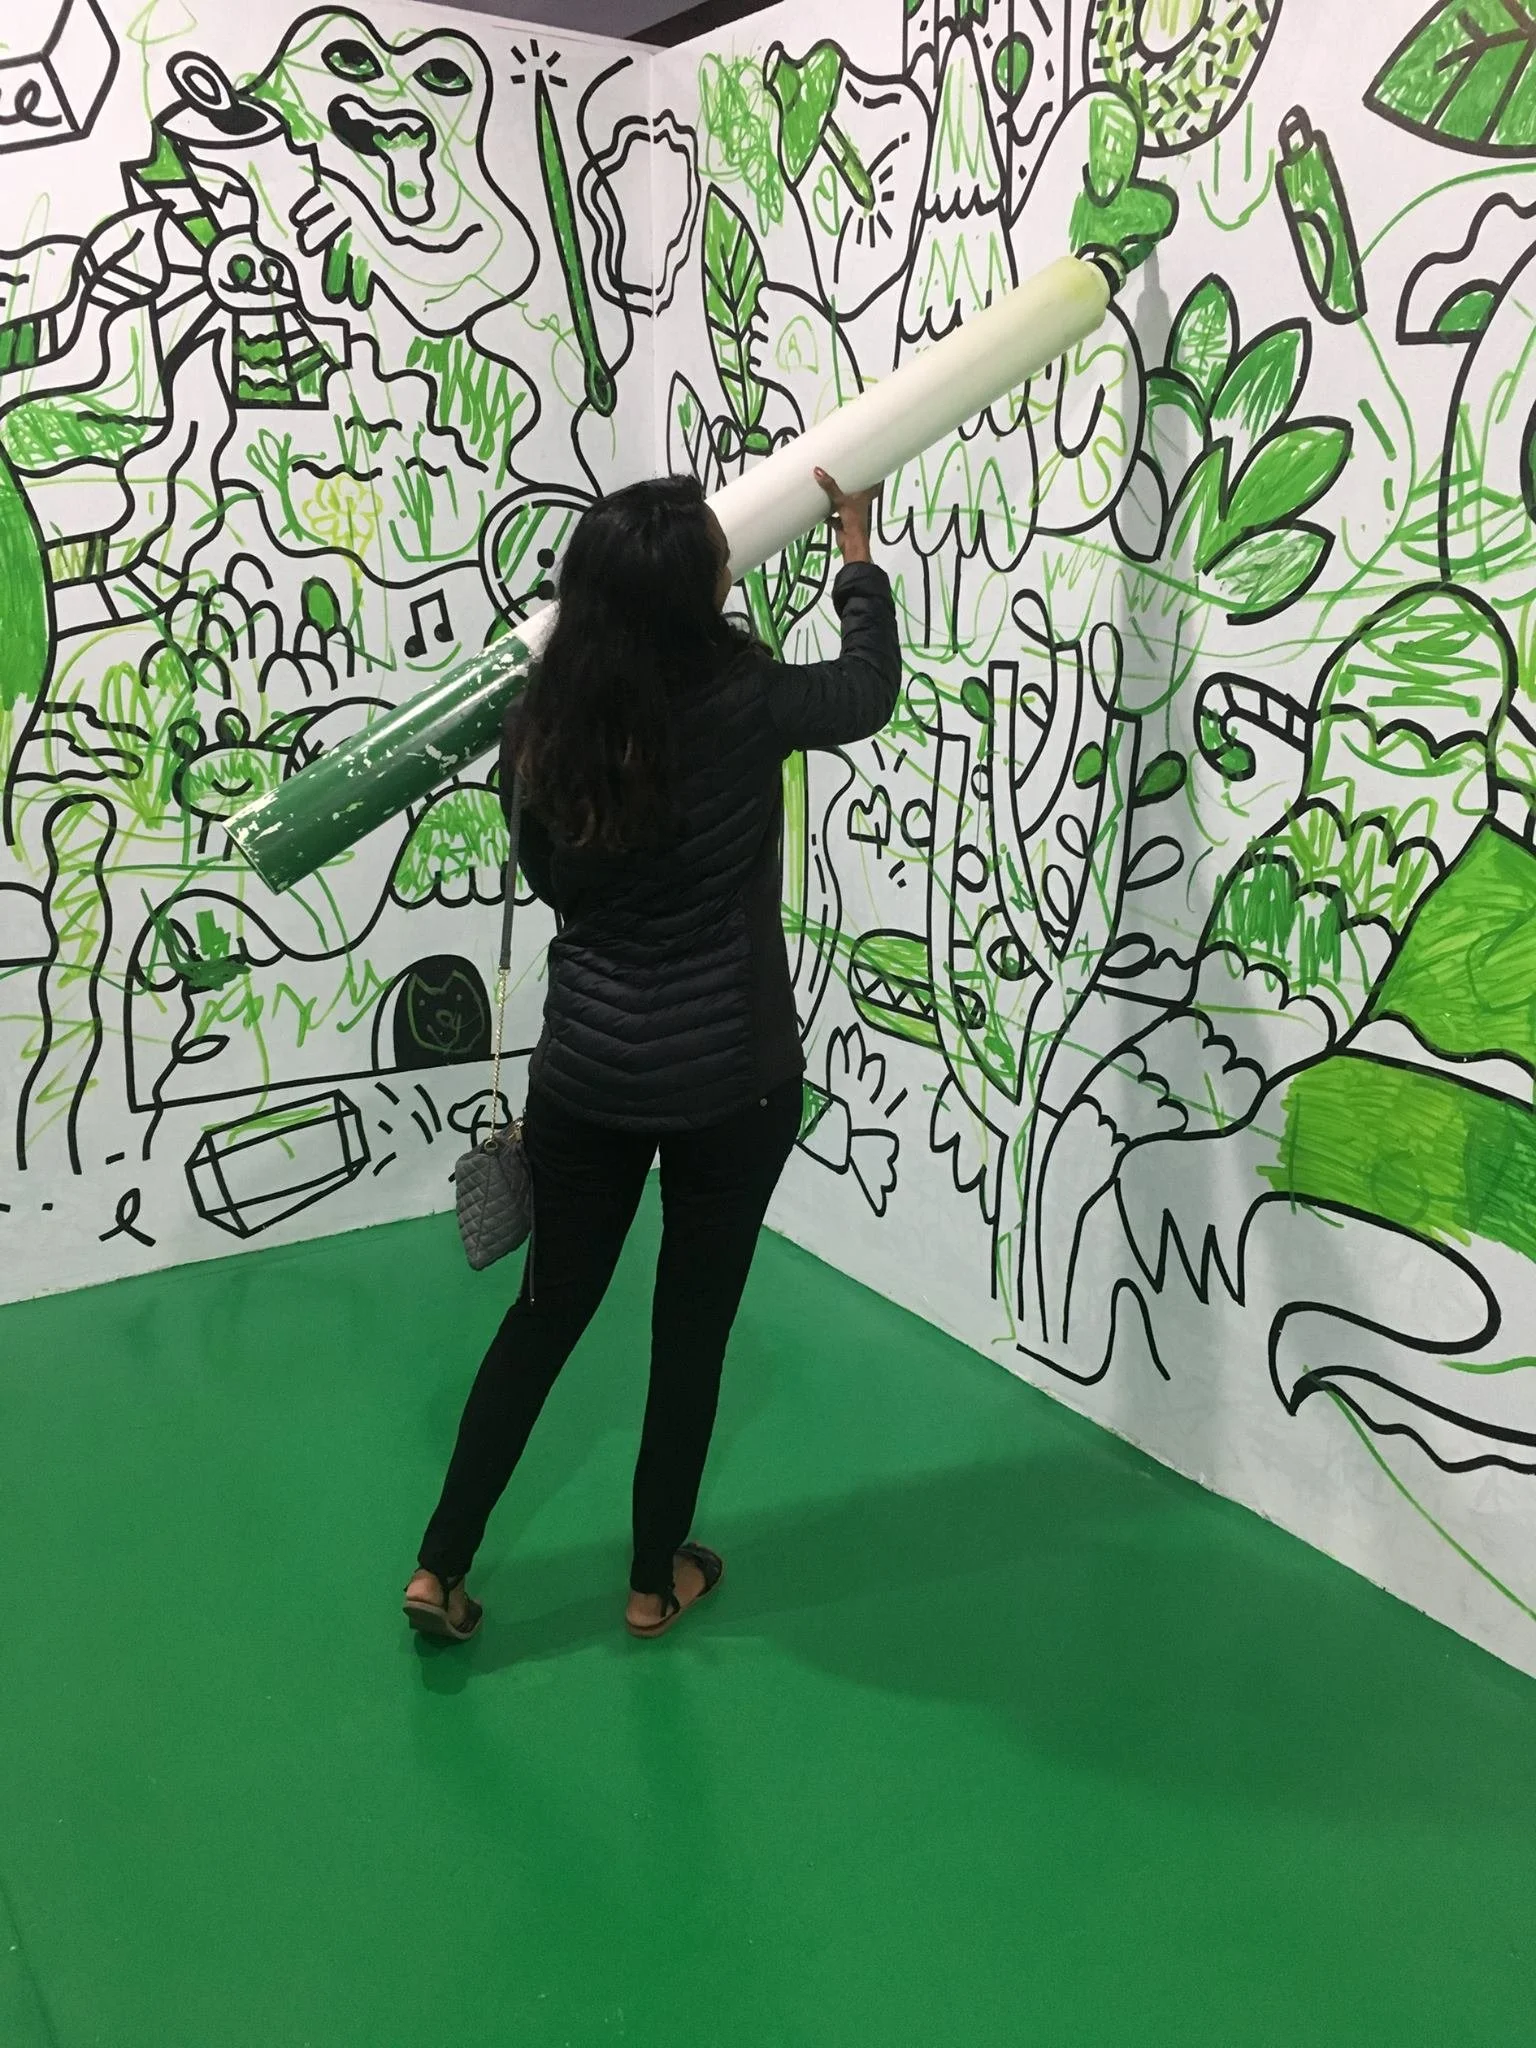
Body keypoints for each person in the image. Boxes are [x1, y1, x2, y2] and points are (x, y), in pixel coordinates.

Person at [403, 467, 901, 1644]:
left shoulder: (540, 719)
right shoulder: (750, 698)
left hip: (587, 1074)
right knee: (690, 1332)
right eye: (720, 558)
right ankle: (648, 1580)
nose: (731, 564)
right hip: (733, 1076)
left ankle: (439, 1566)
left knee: (543, 1317)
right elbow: (866, 690)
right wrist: (856, 550)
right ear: (694, 595)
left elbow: (550, 879)